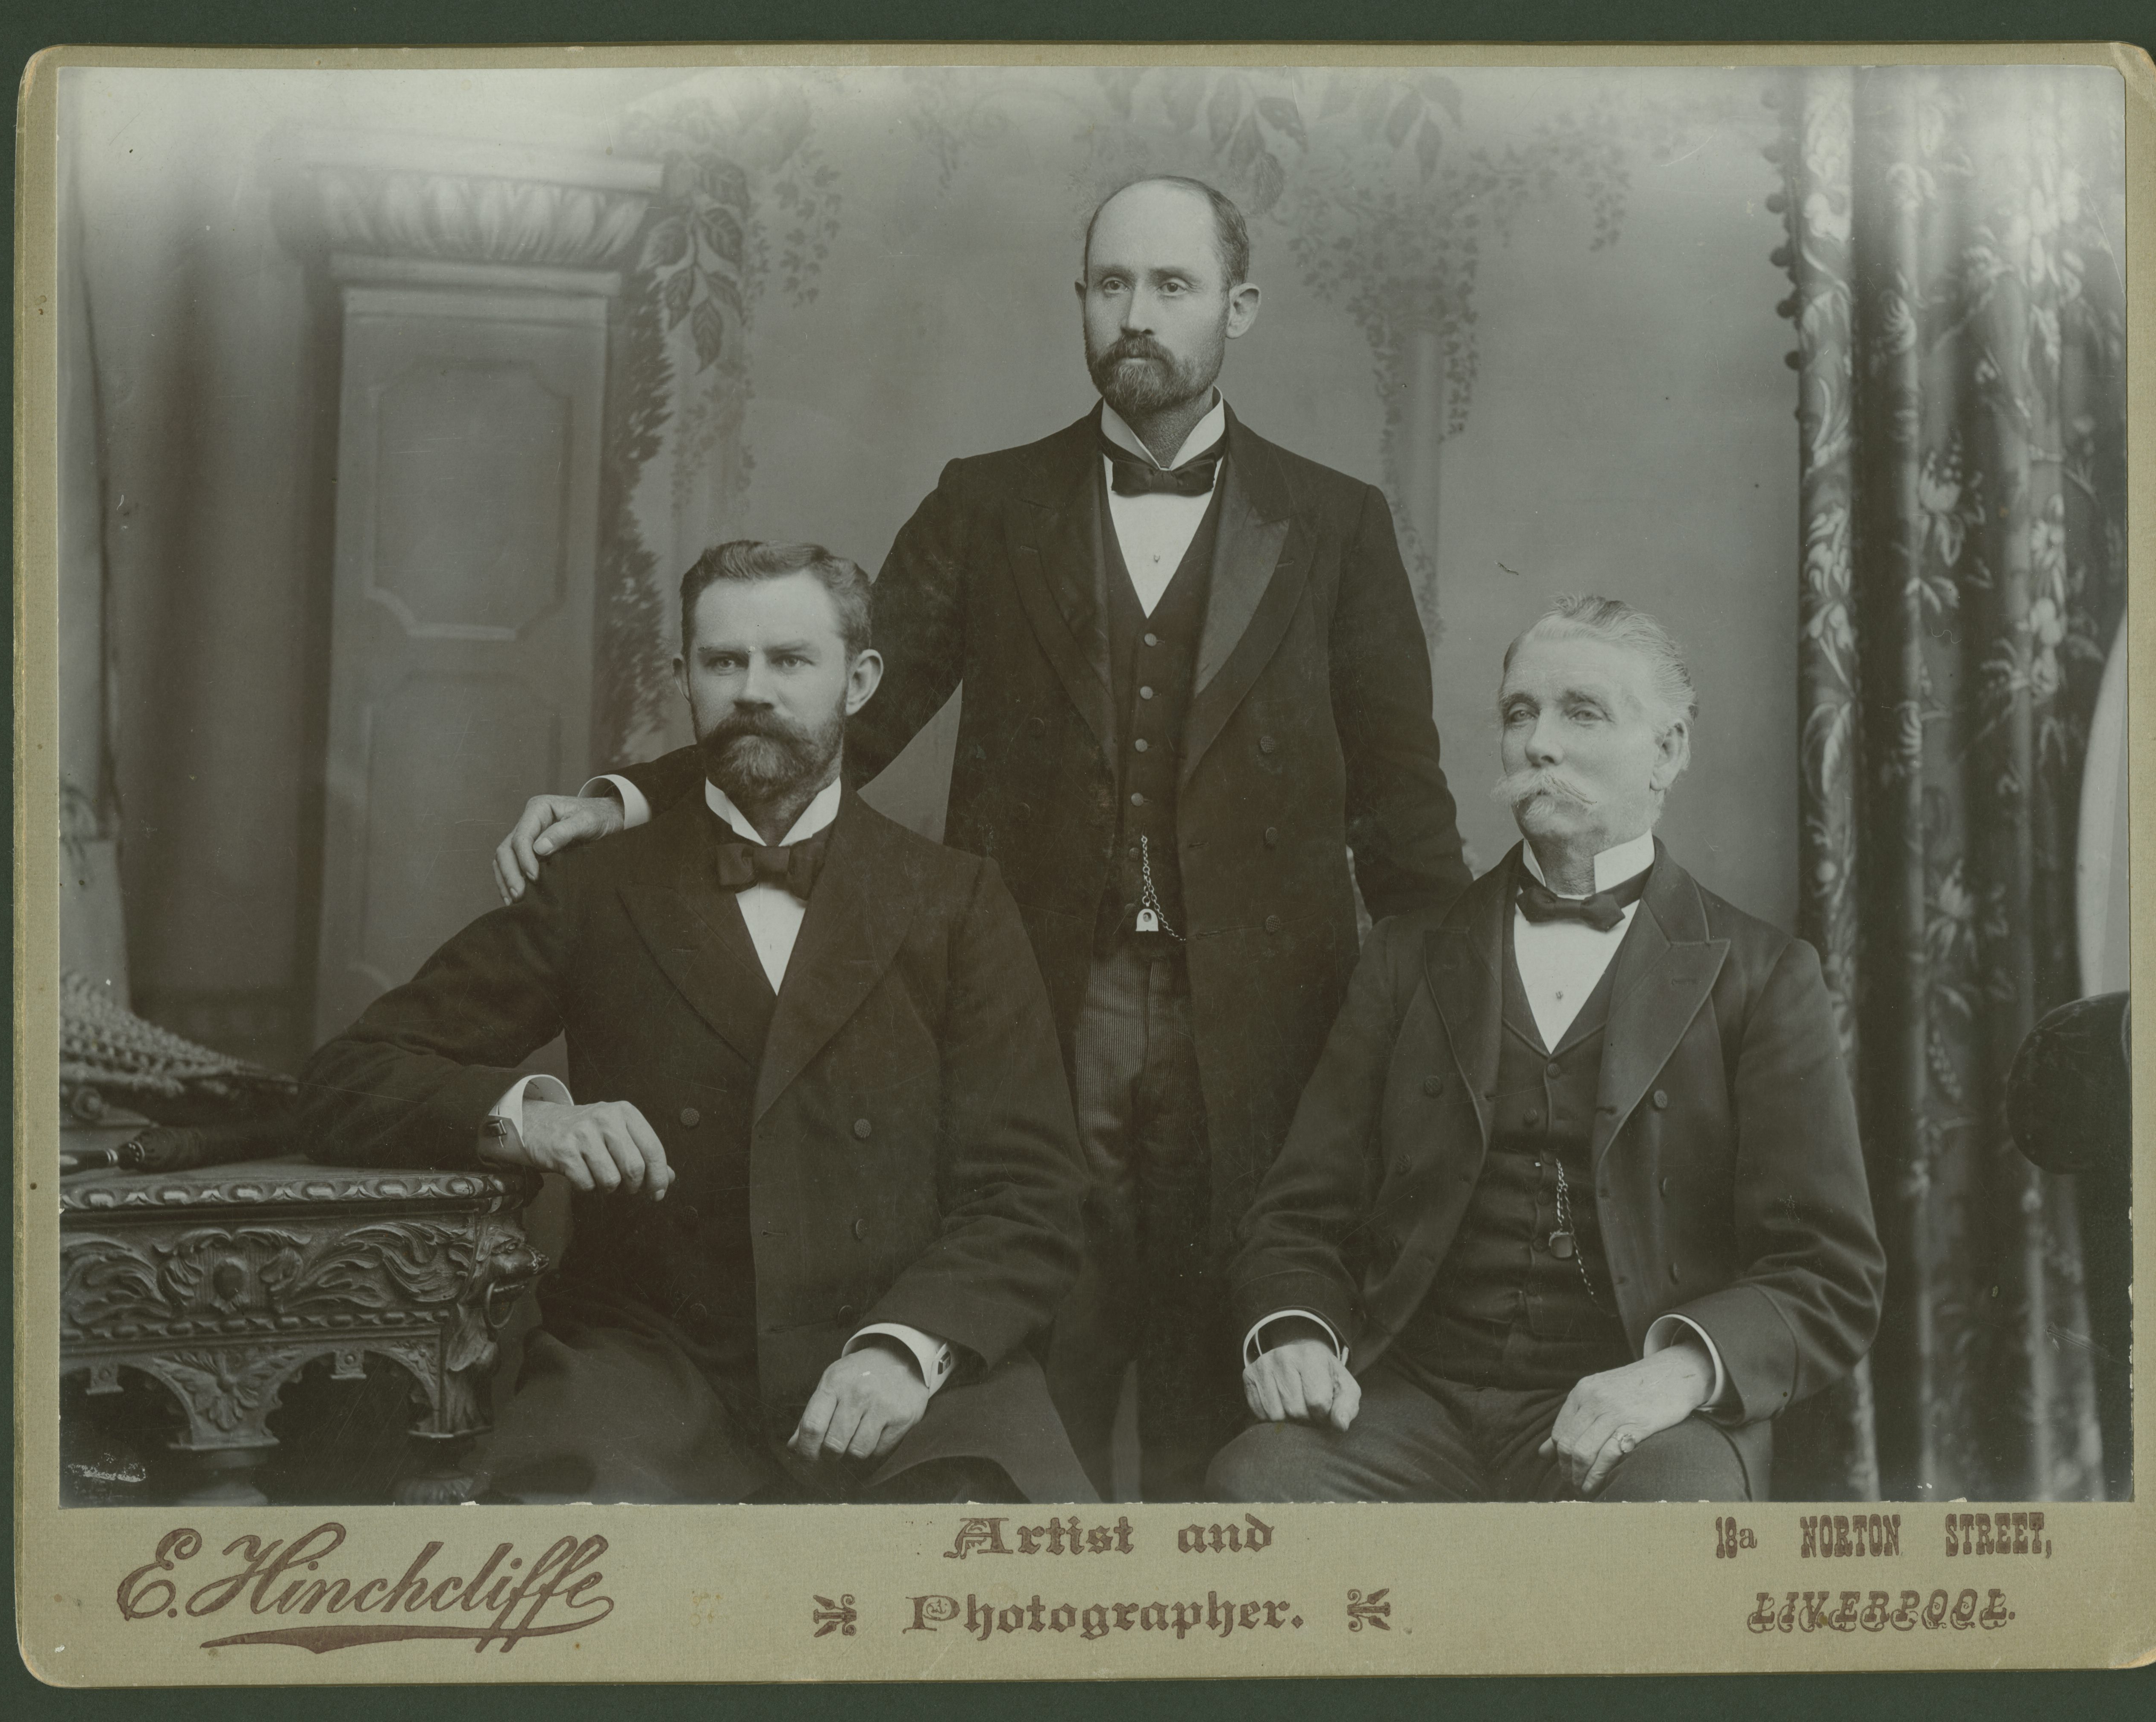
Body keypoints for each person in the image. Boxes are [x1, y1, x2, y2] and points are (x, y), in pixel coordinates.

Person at [491, 177, 1469, 1499]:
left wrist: (1464, 1010)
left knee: (1223, 1383)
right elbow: (848, 711)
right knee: (1027, 1356)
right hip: (1035, 1001)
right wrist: (635, 798)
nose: (1137, 317)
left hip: (1268, 1025)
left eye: (1171, 287)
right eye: (1111, 285)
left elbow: (1401, 801)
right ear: (1080, 302)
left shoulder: (1336, 522)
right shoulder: (989, 502)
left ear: (1238, 308)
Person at [300, 541, 1092, 1505]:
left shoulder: (956, 901)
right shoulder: (593, 891)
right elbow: (350, 1072)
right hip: (648, 1370)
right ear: (684, 678)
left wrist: (903, 1351)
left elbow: (1031, 1192)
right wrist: (532, 1116)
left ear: (861, 680)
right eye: (723, 663)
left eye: (790, 661)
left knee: (1003, 1583)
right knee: (564, 1586)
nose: (751, 691)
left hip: (904, 1368)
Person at [1206, 596, 1883, 1503]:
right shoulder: (1407, 955)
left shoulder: (1763, 977)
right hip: (1408, 1402)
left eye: (1582, 712)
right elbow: (1297, 1213)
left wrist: (1674, 1375)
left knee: (1671, 1523)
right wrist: (1292, 1331)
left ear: (1669, 750)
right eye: (1519, 713)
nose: (1538, 744)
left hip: (1638, 1412)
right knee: (1255, 1492)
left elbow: (1826, 1272)